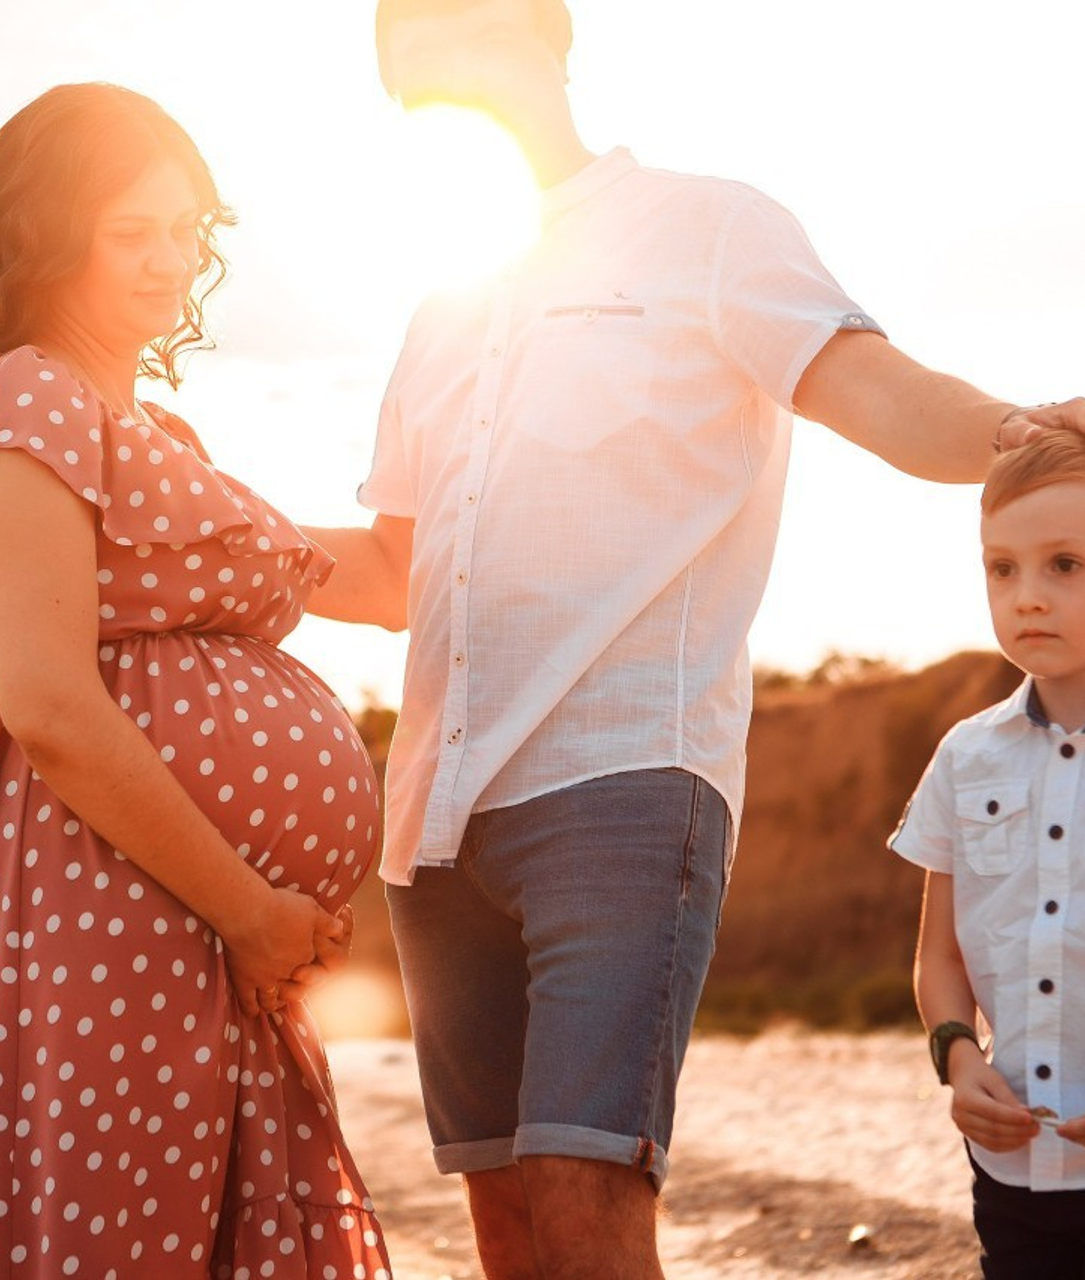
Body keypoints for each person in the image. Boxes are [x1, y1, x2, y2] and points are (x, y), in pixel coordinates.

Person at [299, 2, 1085, 1276]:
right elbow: (391, 570)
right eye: (410, 91)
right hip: (429, 823)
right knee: (503, 1223)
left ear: (543, 40)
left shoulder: (709, 229)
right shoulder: (435, 314)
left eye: (455, 57)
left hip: (622, 780)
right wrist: (187, 542)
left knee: (582, 1186)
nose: (438, 104)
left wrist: (1022, 429)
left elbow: (883, 397)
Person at [0, 83, 391, 1279]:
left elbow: (376, 573)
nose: (172, 263)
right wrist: (250, 908)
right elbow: (48, 702)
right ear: (52, 234)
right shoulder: (29, 400)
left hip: (181, 907)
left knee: (205, 1222)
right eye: (134, 233)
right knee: (124, 1230)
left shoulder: (153, 432)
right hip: (113, 899)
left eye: (188, 233)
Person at [890, 429, 1085, 1278]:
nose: (1027, 598)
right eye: (1001, 569)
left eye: (1066, 565)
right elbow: (938, 956)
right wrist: (956, 1055)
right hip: (1013, 1163)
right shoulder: (966, 756)